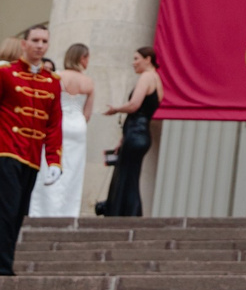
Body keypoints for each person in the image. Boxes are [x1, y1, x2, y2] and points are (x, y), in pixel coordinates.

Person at [0, 24, 63, 275]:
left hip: (30, 157)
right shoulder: (4, 74)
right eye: (35, 40)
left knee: (16, 213)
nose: (40, 45)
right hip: (3, 151)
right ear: (24, 44)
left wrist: (54, 161)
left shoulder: (52, 83)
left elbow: (53, 126)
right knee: (2, 211)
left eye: (44, 41)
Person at [29, 44, 93, 220]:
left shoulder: (58, 77)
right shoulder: (88, 82)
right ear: (81, 58)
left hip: (59, 123)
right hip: (78, 126)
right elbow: (87, 113)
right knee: (73, 170)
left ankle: (44, 211)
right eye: (87, 57)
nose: (88, 61)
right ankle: (67, 212)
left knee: (49, 164)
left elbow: (48, 105)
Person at [98, 46, 162, 218]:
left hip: (135, 133)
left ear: (148, 59)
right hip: (140, 133)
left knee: (126, 177)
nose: (133, 63)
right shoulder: (157, 79)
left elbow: (134, 105)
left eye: (136, 58)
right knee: (129, 176)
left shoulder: (147, 77)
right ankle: (125, 213)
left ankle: (125, 215)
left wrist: (116, 109)